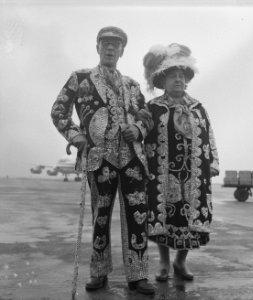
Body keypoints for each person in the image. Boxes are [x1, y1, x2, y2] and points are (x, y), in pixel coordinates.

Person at [51, 26, 155, 296]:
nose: (110, 48)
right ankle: (99, 273)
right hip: (99, 159)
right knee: (101, 216)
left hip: (132, 159)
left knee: (138, 215)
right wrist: (75, 136)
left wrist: (139, 130)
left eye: (116, 44)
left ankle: (139, 275)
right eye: (105, 43)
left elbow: (146, 117)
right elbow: (58, 110)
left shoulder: (132, 85)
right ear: (97, 47)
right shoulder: (81, 78)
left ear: (122, 51)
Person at [141, 43, 220, 282]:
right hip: (162, 175)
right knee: (163, 217)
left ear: (187, 80)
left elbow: (210, 135)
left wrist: (213, 161)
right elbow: (142, 135)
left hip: (195, 174)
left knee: (191, 218)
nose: (178, 80)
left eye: (182, 76)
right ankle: (164, 262)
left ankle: (180, 262)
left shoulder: (198, 108)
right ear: (162, 81)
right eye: (173, 76)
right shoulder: (153, 108)